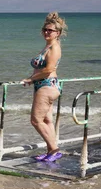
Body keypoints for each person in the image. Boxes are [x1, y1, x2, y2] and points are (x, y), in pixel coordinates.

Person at [22, 12, 67, 162]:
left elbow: (48, 69)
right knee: (47, 120)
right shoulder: (47, 46)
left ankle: (54, 149)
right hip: (44, 85)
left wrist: (30, 78)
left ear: (58, 33)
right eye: (45, 30)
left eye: (51, 30)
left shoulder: (54, 48)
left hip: (47, 86)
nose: (47, 32)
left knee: (36, 120)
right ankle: (51, 152)